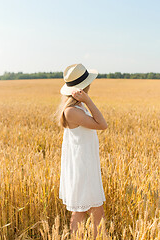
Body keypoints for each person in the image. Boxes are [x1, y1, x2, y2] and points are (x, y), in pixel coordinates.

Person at [55, 63, 108, 238]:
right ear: (84, 87)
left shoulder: (77, 108)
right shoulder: (72, 111)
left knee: (93, 210)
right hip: (82, 166)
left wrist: (85, 102)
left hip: (86, 163)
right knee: (83, 211)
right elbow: (102, 125)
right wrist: (88, 100)